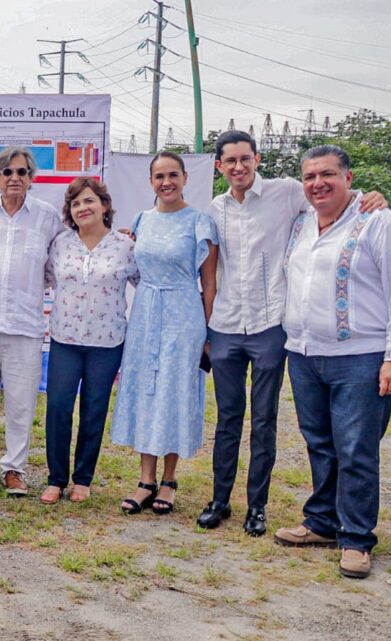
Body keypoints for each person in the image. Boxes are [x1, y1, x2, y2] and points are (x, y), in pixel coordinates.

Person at [198, 131, 388, 536]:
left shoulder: (287, 192)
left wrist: (373, 197)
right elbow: (209, 271)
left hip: (270, 326)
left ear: (257, 159)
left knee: (264, 421)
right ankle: (219, 500)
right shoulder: (214, 208)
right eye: (229, 161)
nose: (238, 167)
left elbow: (336, 201)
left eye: (245, 159)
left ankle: (257, 507)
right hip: (228, 325)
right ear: (219, 166)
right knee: (228, 419)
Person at [274, 145, 391, 580]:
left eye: (327, 174)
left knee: (356, 449)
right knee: (320, 444)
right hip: (305, 353)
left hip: (360, 357)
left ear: (348, 178)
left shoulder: (378, 221)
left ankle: (356, 539)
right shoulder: (300, 223)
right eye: (309, 176)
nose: (317, 184)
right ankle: (322, 523)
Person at [111, 151, 218, 515]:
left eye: (173, 174)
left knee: (174, 391)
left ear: (185, 178)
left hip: (183, 314)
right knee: (146, 390)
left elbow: (209, 282)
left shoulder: (199, 221)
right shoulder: (142, 219)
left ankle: (169, 480)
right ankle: (145, 479)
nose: (167, 182)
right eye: (159, 176)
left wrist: (207, 332)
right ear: (151, 182)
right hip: (145, 313)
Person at [0, 147, 63, 495]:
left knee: (21, 402)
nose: (14, 178)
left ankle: (15, 469)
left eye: (21, 172)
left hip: (25, 325)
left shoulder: (47, 217)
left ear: (31, 178)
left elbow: (55, 267)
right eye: (7, 172)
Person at [40, 178, 137, 505]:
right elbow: (45, 277)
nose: (83, 208)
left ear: (104, 206)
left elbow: (144, 283)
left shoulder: (124, 246)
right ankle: (56, 478)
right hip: (65, 338)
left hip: (107, 342)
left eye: (89, 201)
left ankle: (83, 479)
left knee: (94, 409)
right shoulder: (61, 244)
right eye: (76, 204)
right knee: (57, 408)